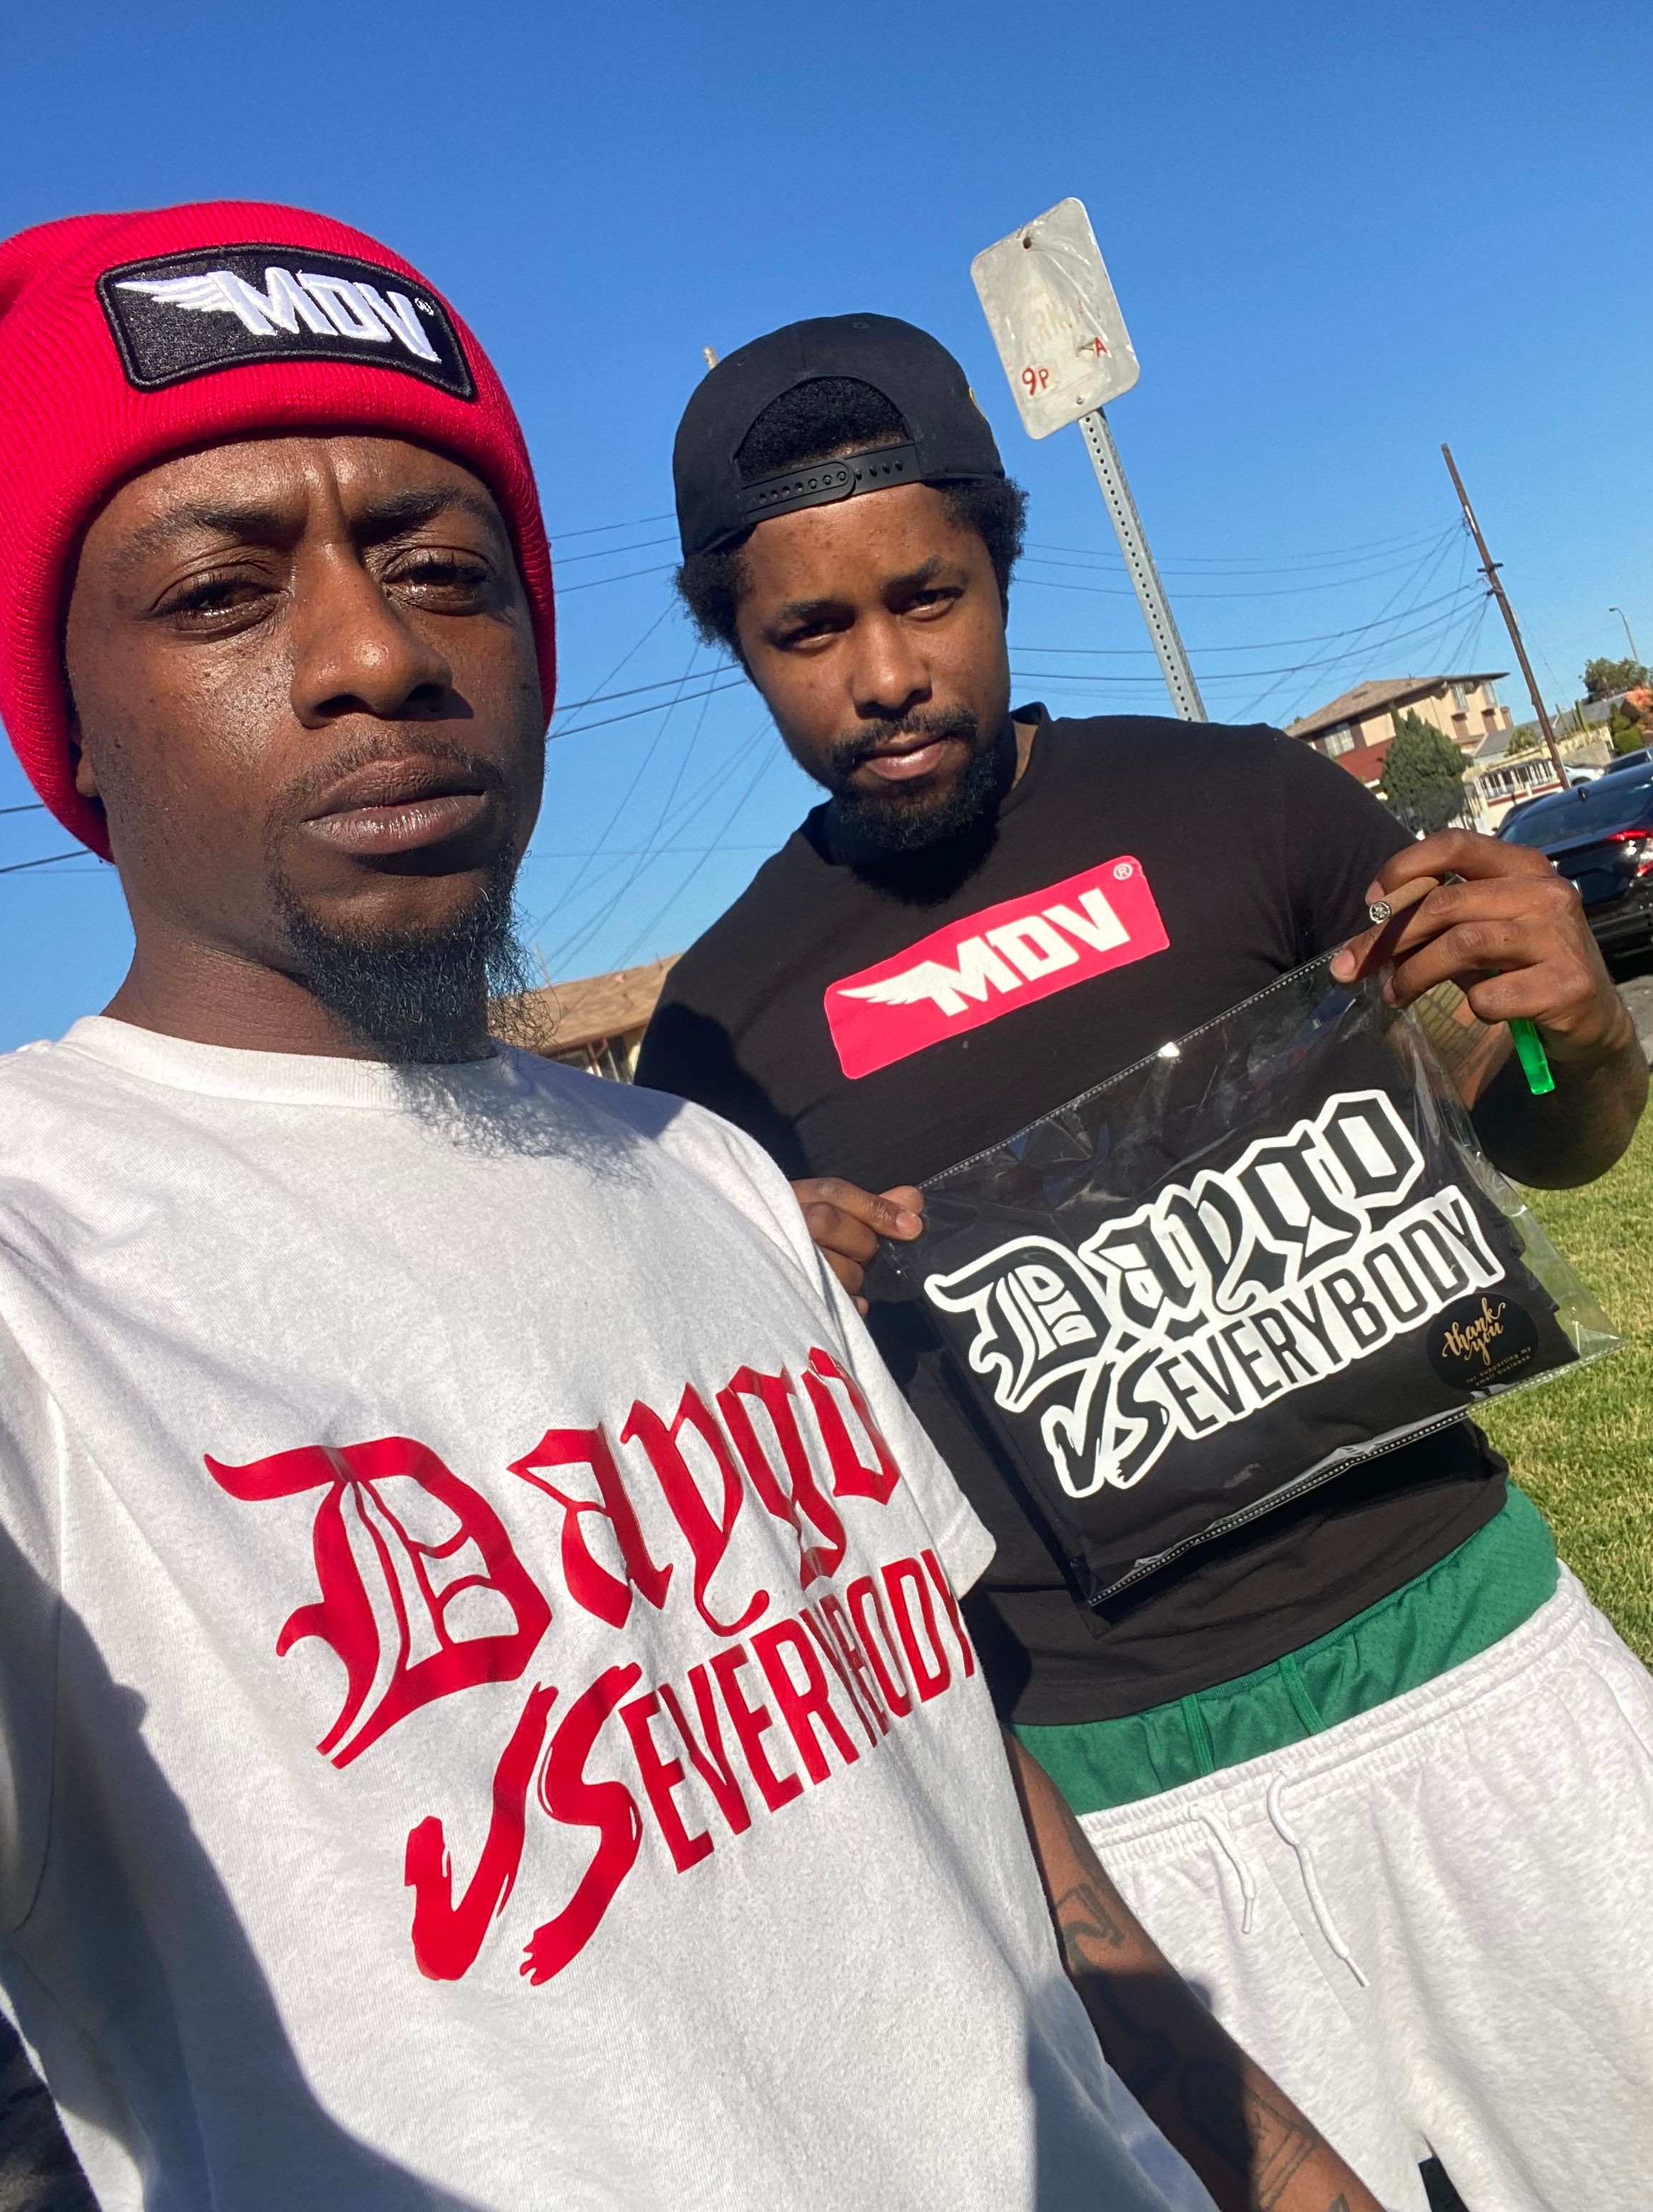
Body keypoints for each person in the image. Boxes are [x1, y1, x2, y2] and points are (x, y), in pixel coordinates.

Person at [0, 203, 1386, 2212]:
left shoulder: (703, 1171)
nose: (380, 653)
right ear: (68, 726)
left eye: (444, 570)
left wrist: (1274, 2169)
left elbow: (950, 1783)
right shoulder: (44, 1276)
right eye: (220, 593)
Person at [637, 311, 1653, 2212]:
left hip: (1475, 1662)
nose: (882, 676)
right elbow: (758, 1482)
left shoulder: (1234, 804)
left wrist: (1574, 1036)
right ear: (731, 644)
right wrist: (768, 1304)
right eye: (806, 633)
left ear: (1000, 563)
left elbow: (1539, 1132)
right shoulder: (715, 1024)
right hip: (1123, 1817)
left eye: (925, 597)